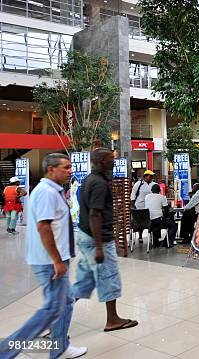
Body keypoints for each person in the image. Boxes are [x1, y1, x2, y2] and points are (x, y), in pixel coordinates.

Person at [0, 153, 87, 359]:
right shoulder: (47, 192)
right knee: (51, 310)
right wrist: (57, 260)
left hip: (53, 259)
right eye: (65, 167)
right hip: (49, 261)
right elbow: (44, 227)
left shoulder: (52, 190)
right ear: (51, 169)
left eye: (70, 166)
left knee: (65, 303)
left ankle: (60, 347)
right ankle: (5, 352)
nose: (70, 171)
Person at [72, 148, 139, 332]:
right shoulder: (99, 184)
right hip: (96, 241)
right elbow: (95, 214)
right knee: (109, 278)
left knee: (83, 283)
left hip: (86, 236)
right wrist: (101, 246)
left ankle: (56, 315)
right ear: (102, 161)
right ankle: (113, 319)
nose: (114, 161)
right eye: (111, 158)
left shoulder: (88, 180)